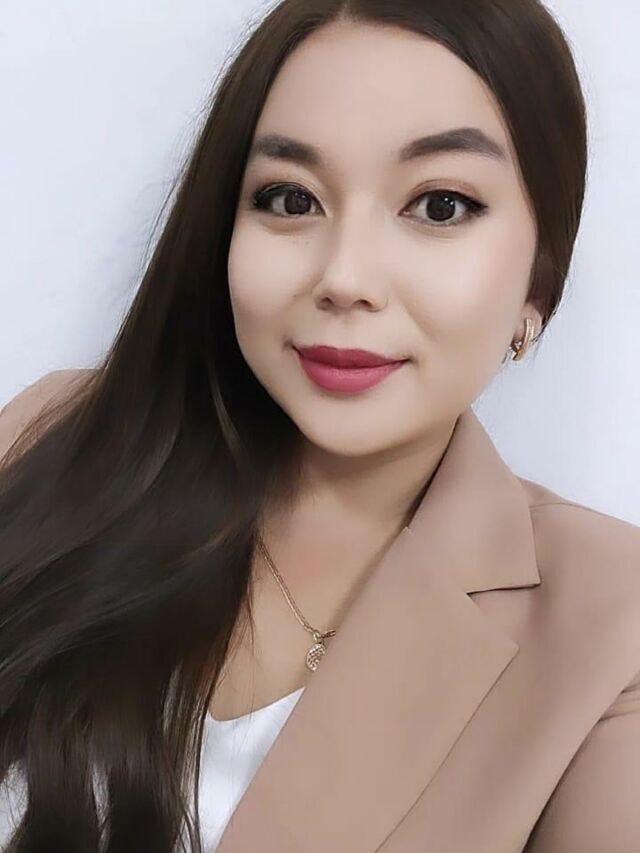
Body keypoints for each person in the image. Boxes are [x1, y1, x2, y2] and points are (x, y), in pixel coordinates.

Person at [1, 1, 639, 851]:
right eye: (290, 198)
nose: (345, 277)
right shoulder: (50, 437)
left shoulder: (611, 620)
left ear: (538, 281)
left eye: (440, 206)